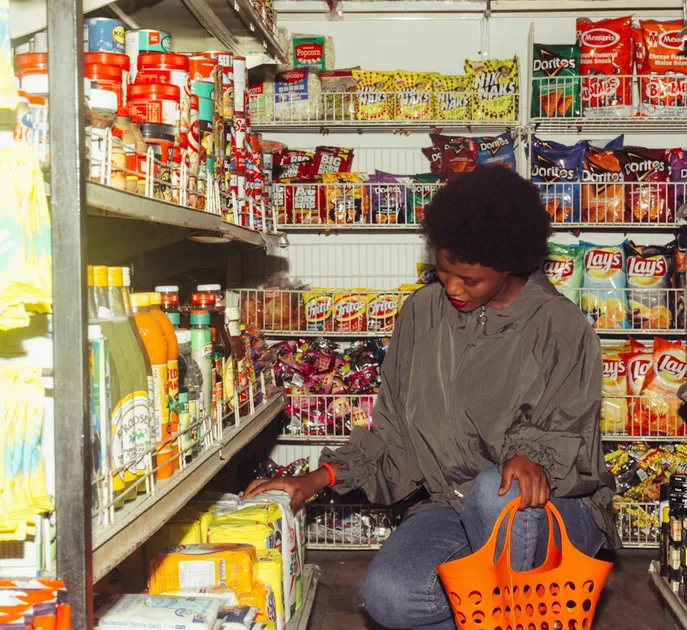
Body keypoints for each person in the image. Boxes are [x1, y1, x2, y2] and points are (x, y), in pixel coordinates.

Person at [244, 165, 618, 630]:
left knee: (496, 490)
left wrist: (530, 456)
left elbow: (567, 429)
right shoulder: (421, 314)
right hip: (452, 504)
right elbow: (394, 435)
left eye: (470, 280)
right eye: (444, 272)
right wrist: (315, 479)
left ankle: (517, 616)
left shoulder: (560, 325)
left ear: (509, 266)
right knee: (389, 596)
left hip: (549, 510)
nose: (453, 289)